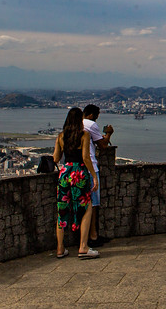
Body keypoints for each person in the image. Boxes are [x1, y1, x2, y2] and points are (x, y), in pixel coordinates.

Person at [53, 107, 100, 259]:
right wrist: (94, 176)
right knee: (86, 208)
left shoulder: (61, 136)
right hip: (79, 172)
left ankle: (60, 248)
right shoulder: (84, 135)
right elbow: (86, 157)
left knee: (62, 209)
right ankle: (83, 247)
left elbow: (55, 158)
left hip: (65, 173)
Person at [82, 104, 114, 246]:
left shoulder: (76, 124)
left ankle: (82, 237)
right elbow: (103, 146)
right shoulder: (91, 124)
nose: (97, 117)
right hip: (91, 168)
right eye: (97, 114)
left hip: (76, 169)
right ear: (91, 115)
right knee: (94, 203)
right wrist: (109, 133)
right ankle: (93, 236)